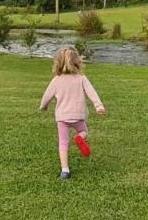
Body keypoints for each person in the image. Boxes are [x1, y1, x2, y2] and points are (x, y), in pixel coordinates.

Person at [39, 46, 105, 179]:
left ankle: (65, 170)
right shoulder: (81, 78)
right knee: (84, 131)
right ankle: (80, 137)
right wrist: (98, 106)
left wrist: (43, 106)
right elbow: (92, 93)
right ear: (77, 62)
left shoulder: (56, 80)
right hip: (78, 115)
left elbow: (47, 95)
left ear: (58, 63)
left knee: (63, 142)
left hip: (62, 117)